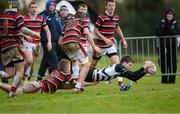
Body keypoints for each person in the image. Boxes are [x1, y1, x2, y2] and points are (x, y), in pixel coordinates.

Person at [0, 56, 156, 95]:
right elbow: (134, 76)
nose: (130, 67)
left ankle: (76, 87)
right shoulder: (121, 66)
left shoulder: (119, 68)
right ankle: (77, 87)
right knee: (77, 73)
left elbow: (134, 77)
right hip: (89, 74)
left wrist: (144, 71)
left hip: (90, 75)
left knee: (65, 85)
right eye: (130, 64)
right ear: (125, 62)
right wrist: (145, 66)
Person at [0, 0, 40, 97]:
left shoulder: (2, 17)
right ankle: (12, 93)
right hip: (13, 46)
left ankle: (11, 92)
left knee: (9, 73)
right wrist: (35, 33)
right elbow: (22, 29)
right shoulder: (17, 16)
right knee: (20, 71)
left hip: (4, 47)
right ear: (17, 7)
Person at [58, 11, 101, 93]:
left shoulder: (68, 23)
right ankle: (78, 87)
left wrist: (67, 48)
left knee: (74, 61)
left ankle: (76, 80)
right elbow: (86, 33)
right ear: (84, 17)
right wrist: (94, 47)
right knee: (86, 65)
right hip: (74, 42)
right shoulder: (83, 20)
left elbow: (60, 42)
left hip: (64, 44)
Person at [90, 0, 128, 90]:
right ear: (106, 6)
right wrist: (105, 39)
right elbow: (95, 31)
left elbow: (117, 27)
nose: (112, 7)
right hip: (99, 46)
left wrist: (123, 39)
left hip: (110, 46)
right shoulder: (101, 17)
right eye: (110, 5)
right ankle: (83, 82)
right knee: (92, 66)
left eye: (113, 5)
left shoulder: (115, 17)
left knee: (117, 63)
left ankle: (121, 85)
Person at [0, 59, 76, 95]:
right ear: (66, 68)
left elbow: (63, 86)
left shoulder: (56, 71)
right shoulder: (66, 74)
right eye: (69, 66)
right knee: (17, 92)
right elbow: (75, 83)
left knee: (15, 91)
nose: (70, 68)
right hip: (39, 87)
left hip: (37, 84)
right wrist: (83, 83)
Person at [21, 2, 52, 81]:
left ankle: (26, 79)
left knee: (31, 63)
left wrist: (49, 42)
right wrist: (25, 36)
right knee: (29, 60)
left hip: (37, 44)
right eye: (32, 7)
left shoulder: (40, 18)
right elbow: (19, 30)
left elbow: (47, 31)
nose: (34, 9)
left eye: (35, 7)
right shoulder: (24, 18)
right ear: (29, 8)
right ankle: (23, 75)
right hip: (26, 42)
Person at [37, 0, 63, 81]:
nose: (52, 7)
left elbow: (60, 28)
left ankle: (39, 76)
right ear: (47, 5)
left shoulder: (56, 15)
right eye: (50, 5)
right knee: (54, 60)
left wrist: (62, 37)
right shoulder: (43, 15)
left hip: (56, 41)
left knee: (46, 59)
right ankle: (54, 79)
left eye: (53, 5)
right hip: (47, 41)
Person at [155, 8, 180, 84]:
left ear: (173, 15)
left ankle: (172, 81)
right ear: (165, 15)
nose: (169, 15)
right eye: (168, 14)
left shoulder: (176, 23)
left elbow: (176, 32)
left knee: (172, 63)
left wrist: (166, 28)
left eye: (171, 14)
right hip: (162, 47)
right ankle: (164, 81)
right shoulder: (161, 22)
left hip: (172, 47)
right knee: (163, 63)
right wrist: (166, 29)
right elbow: (157, 32)